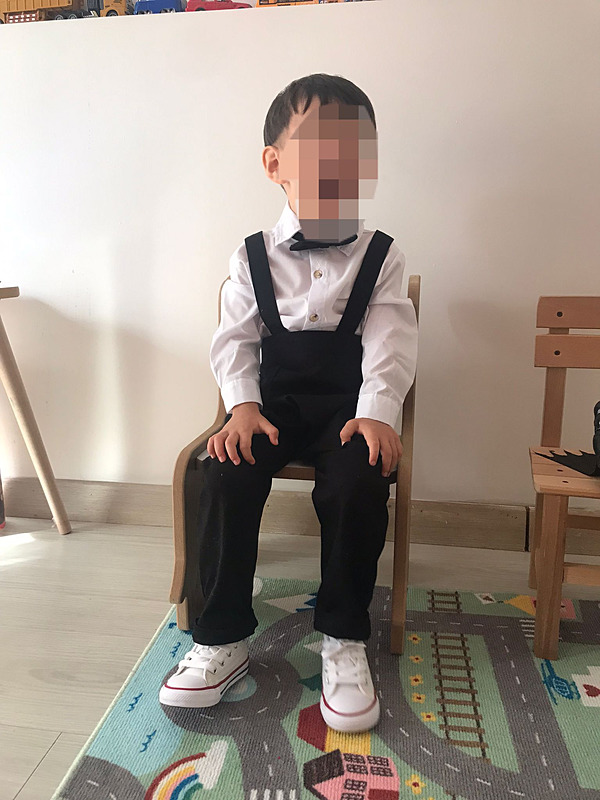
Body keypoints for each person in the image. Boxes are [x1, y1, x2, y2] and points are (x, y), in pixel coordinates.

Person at [160, 73, 419, 733]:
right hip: (271, 408)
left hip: (349, 410)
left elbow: (391, 342)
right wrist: (240, 407)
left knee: (359, 480)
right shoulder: (251, 257)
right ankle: (221, 635)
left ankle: (343, 636)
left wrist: (377, 412)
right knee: (224, 471)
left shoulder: (382, 256)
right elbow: (234, 339)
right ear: (275, 164)